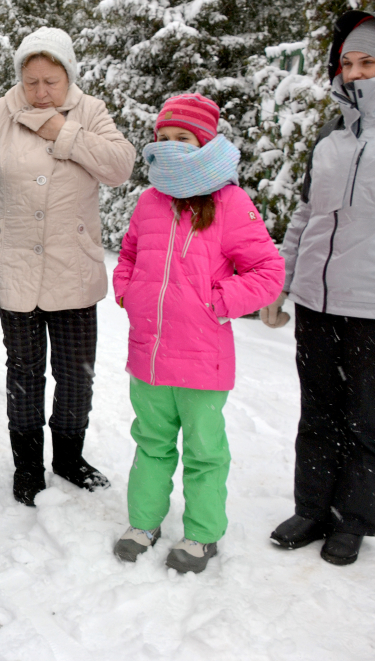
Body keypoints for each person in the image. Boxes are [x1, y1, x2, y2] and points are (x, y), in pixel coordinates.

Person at [263, 12, 375, 566]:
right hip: (318, 303)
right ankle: (313, 509)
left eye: (368, 62)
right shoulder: (329, 138)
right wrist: (280, 283)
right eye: (347, 63)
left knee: (366, 418)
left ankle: (354, 520)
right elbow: (305, 216)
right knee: (318, 410)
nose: (355, 74)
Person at [0, 27, 134, 506]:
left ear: (68, 76)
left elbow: (121, 167)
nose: (39, 92)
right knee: (25, 372)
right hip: (13, 266)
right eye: (31, 81)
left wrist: (65, 132)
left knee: (77, 374)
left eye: (50, 81)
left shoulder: (90, 112)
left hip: (71, 268)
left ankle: (70, 458)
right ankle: (29, 466)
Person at [111, 94, 284, 573]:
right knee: (151, 443)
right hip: (148, 357)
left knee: (205, 453)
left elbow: (267, 271)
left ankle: (202, 535)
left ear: (205, 143)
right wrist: (127, 290)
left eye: (182, 139)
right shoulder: (150, 201)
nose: (169, 148)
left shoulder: (230, 203)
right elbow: (127, 254)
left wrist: (218, 302)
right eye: (162, 139)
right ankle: (144, 523)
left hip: (203, 361)